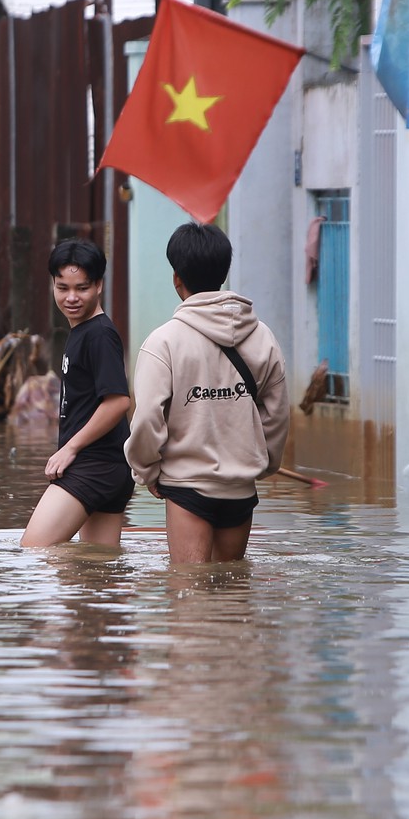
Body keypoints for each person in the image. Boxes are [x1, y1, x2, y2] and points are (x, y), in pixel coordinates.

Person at [127, 222, 290, 565]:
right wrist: (264, 464)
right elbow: (276, 415)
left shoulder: (163, 342)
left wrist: (146, 471)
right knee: (232, 595)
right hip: (241, 489)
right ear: (223, 272)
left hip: (188, 487)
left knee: (190, 594)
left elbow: (146, 419)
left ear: (176, 279)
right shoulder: (263, 336)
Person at [20, 239, 134, 548]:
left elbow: (118, 401)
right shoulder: (83, 331)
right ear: (53, 285)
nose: (71, 297)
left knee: (34, 554)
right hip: (110, 467)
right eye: (63, 287)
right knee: (95, 568)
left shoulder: (98, 333)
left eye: (81, 288)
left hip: (94, 465)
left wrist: (70, 448)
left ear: (98, 285)